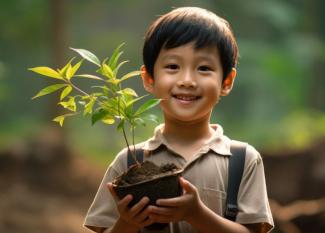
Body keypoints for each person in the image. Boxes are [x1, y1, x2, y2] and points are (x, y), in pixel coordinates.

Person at [84, 6, 274, 233]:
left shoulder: (242, 160)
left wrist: (197, 214)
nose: (187, 80)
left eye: (204, 68)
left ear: (227, 81)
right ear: (149, 79)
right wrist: (127, 222)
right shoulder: (130, 161)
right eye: (173, 66)